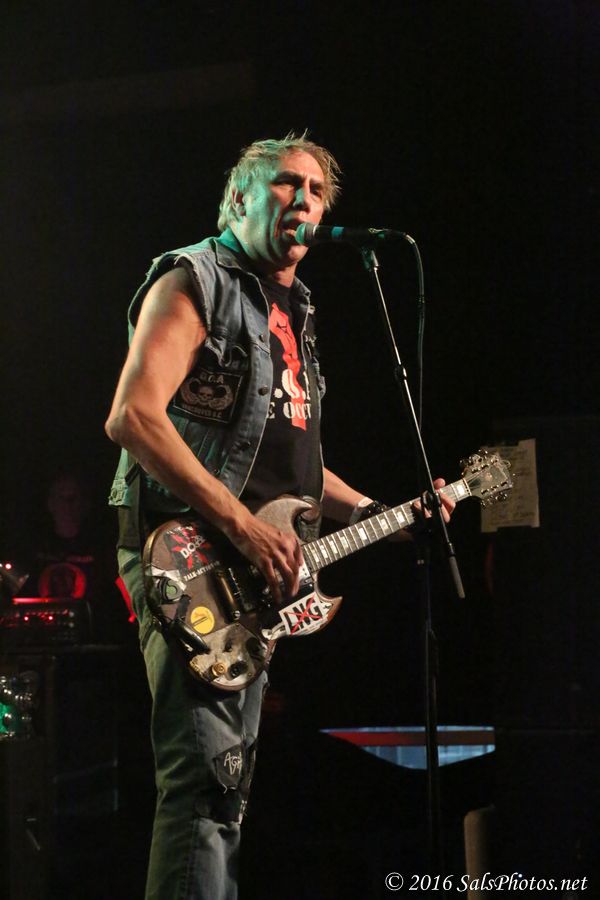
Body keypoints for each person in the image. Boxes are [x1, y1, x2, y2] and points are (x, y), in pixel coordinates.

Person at [105, 132, 454, 900]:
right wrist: (241, 525)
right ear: (238, 198)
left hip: (252, 568)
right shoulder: (194, 279)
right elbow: (134, 417)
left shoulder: (295, 309)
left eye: (317, 191)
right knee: (206, 785)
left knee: (226, 793)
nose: (304, 200)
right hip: (188, 553)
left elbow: (295, 464)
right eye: (286, 184)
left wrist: (383, 512)